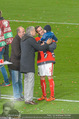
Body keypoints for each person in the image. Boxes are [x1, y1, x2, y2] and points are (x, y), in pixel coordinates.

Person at [20, 26, 52, 105]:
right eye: (34, 31)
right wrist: (47, 44)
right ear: (31, 32)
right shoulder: (31, 39)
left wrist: (39, 42)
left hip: (23, 63)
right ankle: (29, 99)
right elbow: (39, 48)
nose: (35, 32)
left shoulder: (23, 39)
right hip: (29, 64)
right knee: (30, 81)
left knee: (26, 81)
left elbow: (32, 48)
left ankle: (27, 98)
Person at [35, 25, 57, 101]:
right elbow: (36, 48)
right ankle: (44, 95)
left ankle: (52, 96)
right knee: (42, 77)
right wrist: (46, 44)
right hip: (40, 60)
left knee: (49, 76)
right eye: (39, 30)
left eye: (41, 29)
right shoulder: (36, 39)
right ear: (37, 32)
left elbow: (53, 47)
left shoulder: (49, 35)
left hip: (49, 59)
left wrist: (42, 45)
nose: (41, 31)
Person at [9, 26, 25, 101]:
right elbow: (17, 54)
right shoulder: (16, 41)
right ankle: (16, 96)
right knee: (15, 81)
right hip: (15, 64)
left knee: (19, 80)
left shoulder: (21, 39)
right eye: (23, 32)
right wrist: (26, 53)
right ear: (18, 33)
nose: (24, 33)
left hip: (19, 64)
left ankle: (20, 94)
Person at [0, 11, 13, 86]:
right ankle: (11, 75)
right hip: (5, 44)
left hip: (1, 45)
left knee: (1, 64)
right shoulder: (4, 22)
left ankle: (7, 81)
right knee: (5, 59)